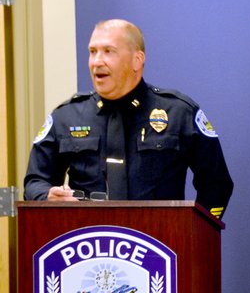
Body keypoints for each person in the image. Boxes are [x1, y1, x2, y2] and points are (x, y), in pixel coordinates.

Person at [24, 19, 234, 219]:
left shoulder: (178, 113)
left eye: (108, 51)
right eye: (92, 52)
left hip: (161, 243)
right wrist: (47, 196)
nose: (97, 61)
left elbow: (217, 184)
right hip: (89, 246)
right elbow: (35, 181)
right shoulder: (66, 116)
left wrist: (197, 232)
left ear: (137, 60)